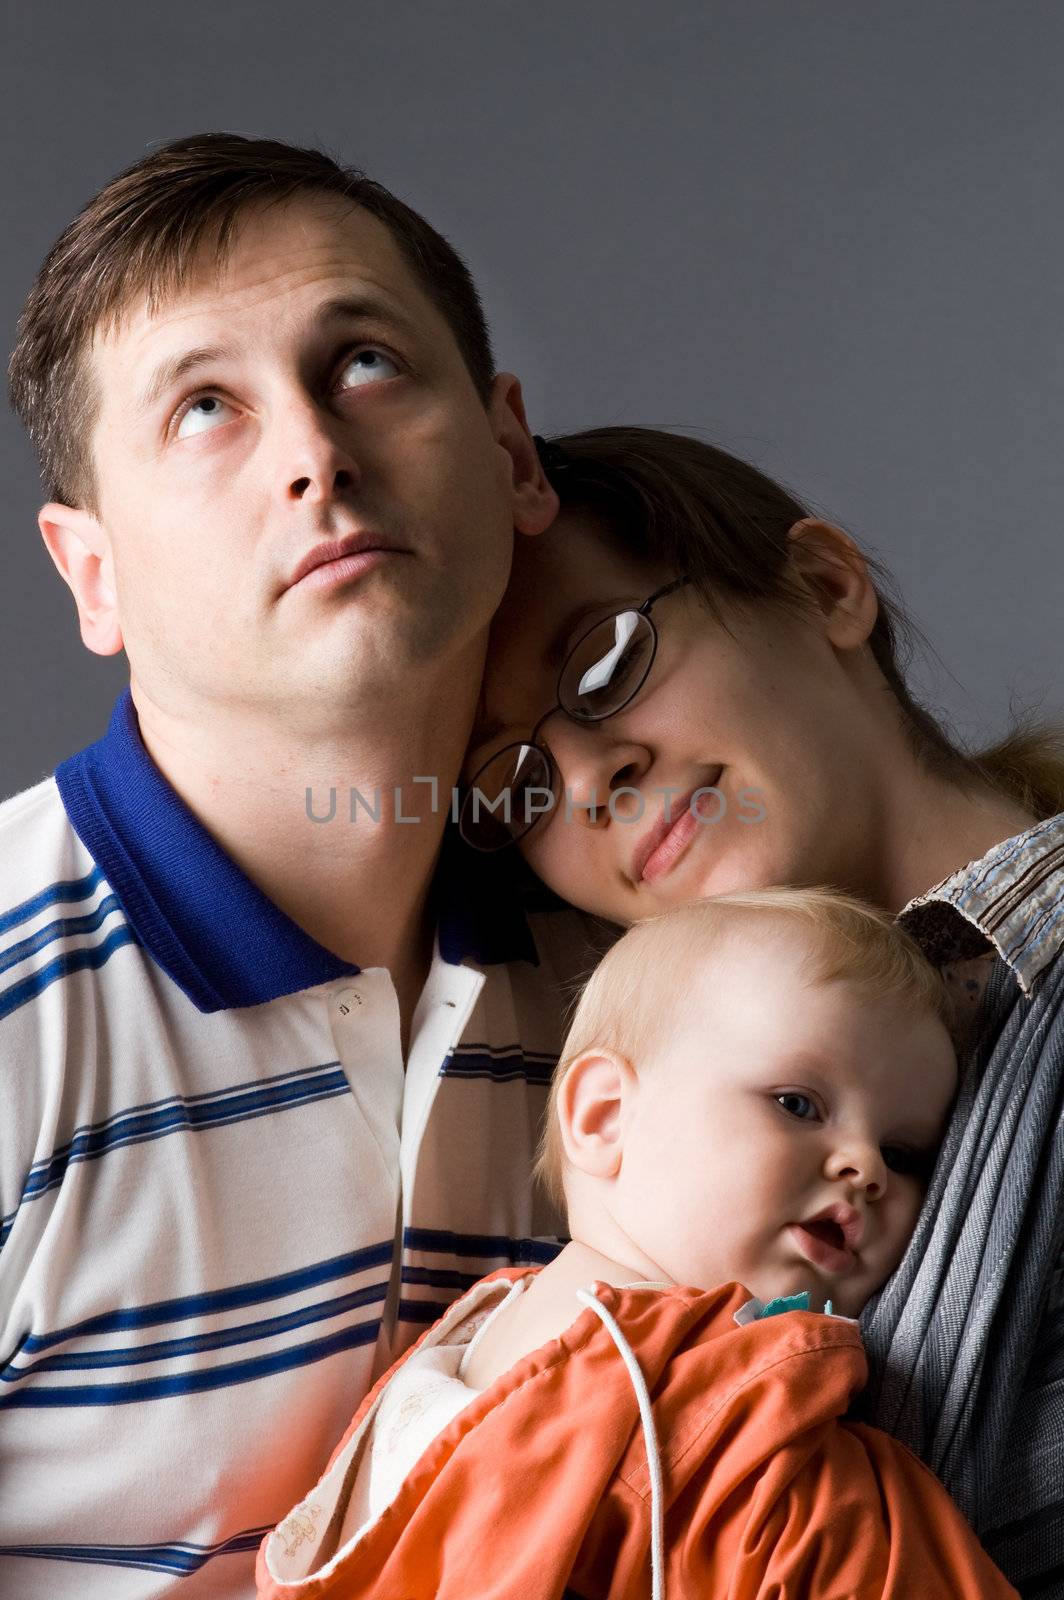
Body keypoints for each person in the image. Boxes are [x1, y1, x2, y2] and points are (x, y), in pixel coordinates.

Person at [0, 133, 596, 1599]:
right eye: (206, 407)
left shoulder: (630, 964)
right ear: (95, 576)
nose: (314, 454)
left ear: (513, 455)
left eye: (368, 363)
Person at [458, 426, 1064, 1595]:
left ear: (824, 587)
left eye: (604, 665)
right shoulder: (639, 1140)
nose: (586, 781)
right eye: (516, 786)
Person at [255, 890, 1017, 1599]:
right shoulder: (739, 1428)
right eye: (798, 1103)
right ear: (604, 1117)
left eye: (907, 1153)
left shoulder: (759, 1440)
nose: (867, 1167)